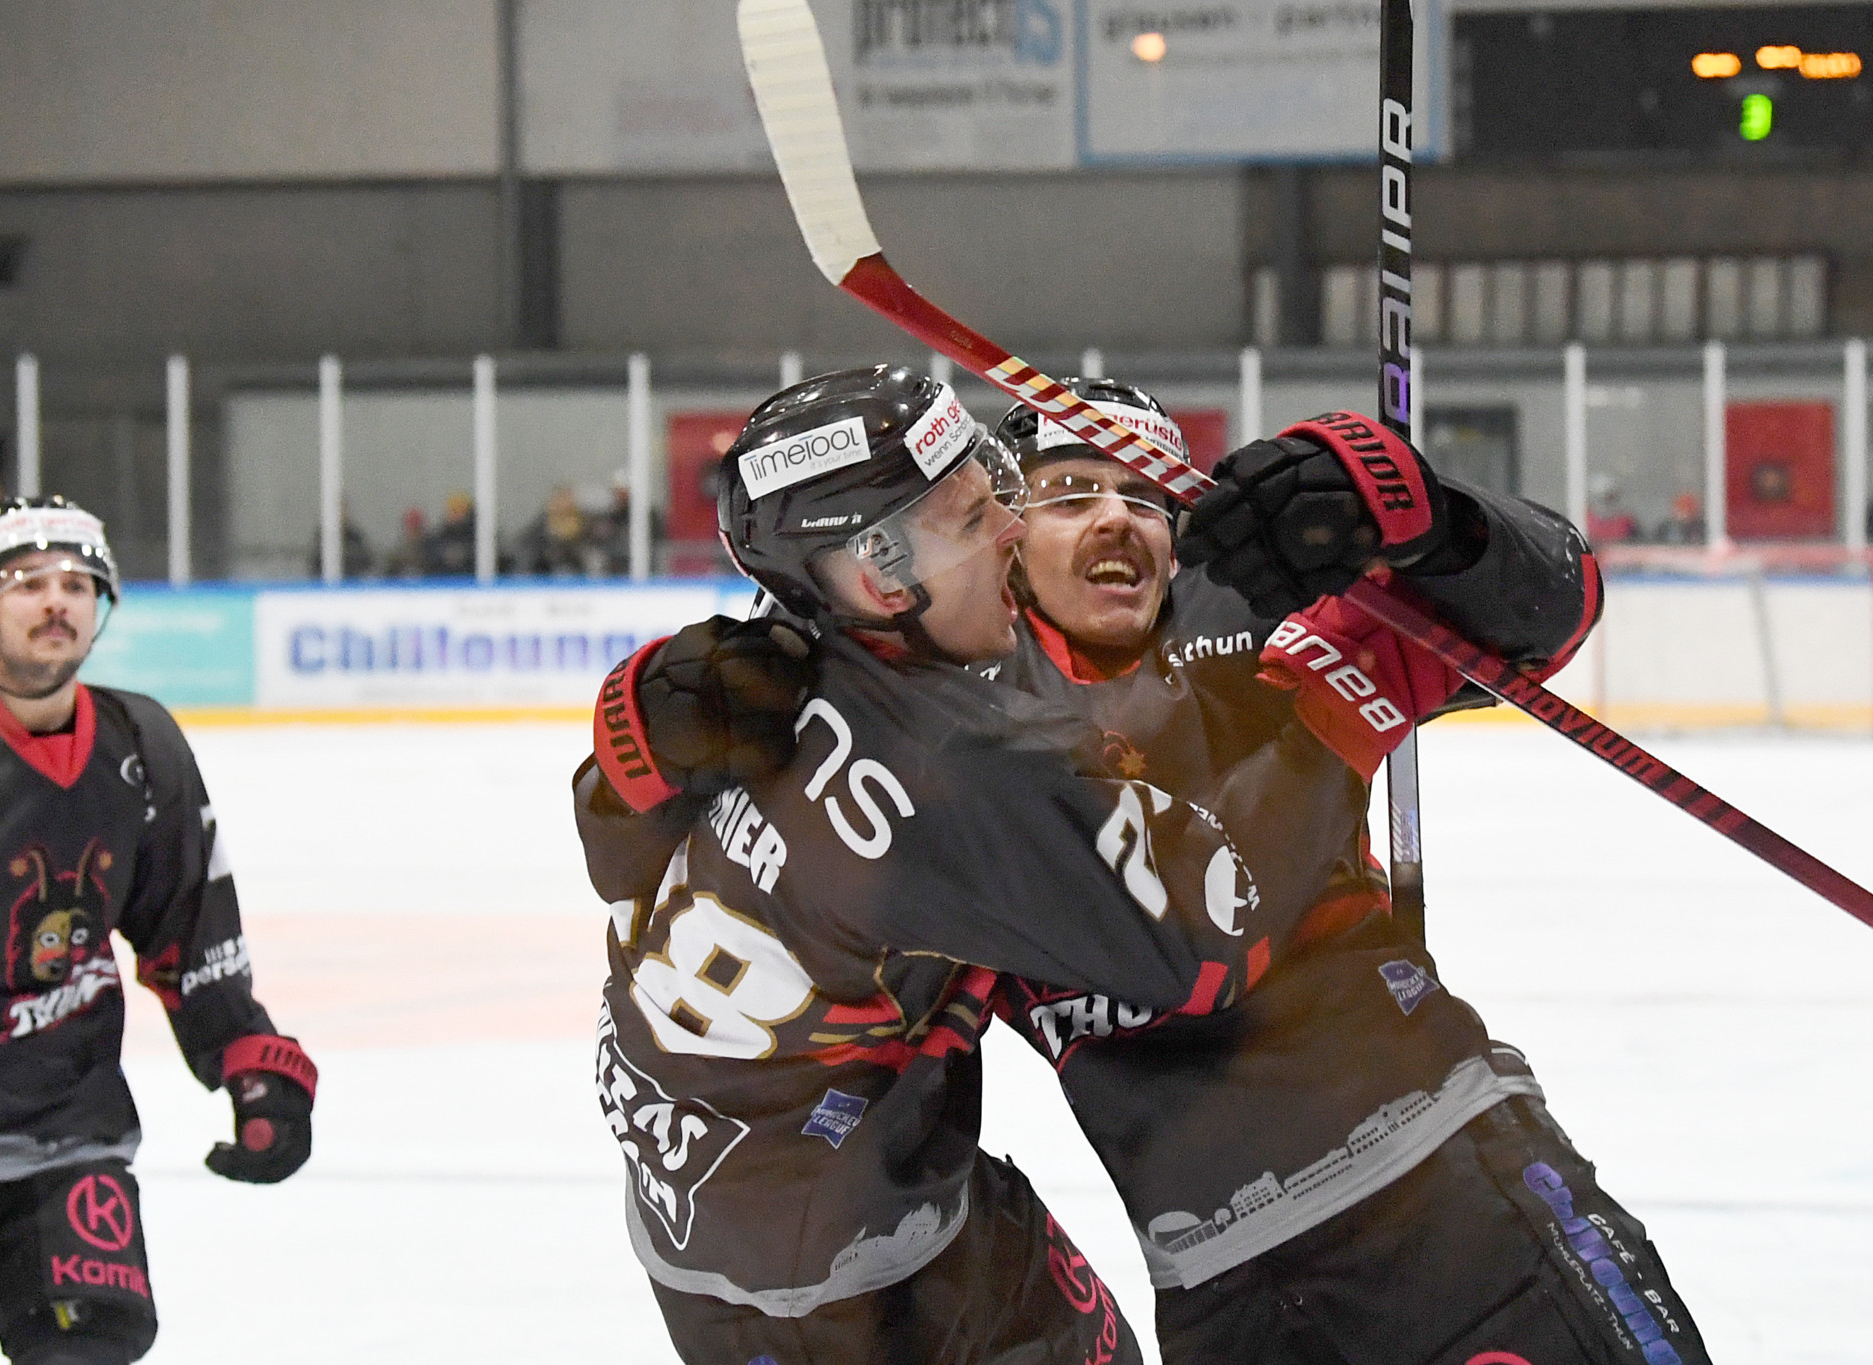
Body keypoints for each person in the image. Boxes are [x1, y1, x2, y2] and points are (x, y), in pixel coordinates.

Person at [585, 378, 1711, 1365]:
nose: (1114, 517)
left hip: (1443, 1195)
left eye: (1144, 495)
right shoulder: (945, 714)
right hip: (1218, 1289)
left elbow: (1556, 607)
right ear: (1001, 533)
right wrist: (634, 744)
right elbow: (694, 870)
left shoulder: (1253, 612)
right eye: (1067, 493)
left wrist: (1430, 517)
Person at [576, 365, 1362, 1365]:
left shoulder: (772, 665)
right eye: (968, 514)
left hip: (710, 1219)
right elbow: (1203, 940)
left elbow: (617, 858)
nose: (1008, 528)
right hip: (873, 1294)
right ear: (878, 574)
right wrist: (1348, 705)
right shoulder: (944, 774)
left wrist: (622, 748)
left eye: (994, 486)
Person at [0, 496, 316, 1365]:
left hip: (65, 1140)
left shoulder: (143, 745)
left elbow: (190, 930)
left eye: (78, 584)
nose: (57, 600)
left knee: (94, 1347)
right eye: (27, 582)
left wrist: (247, 1057)